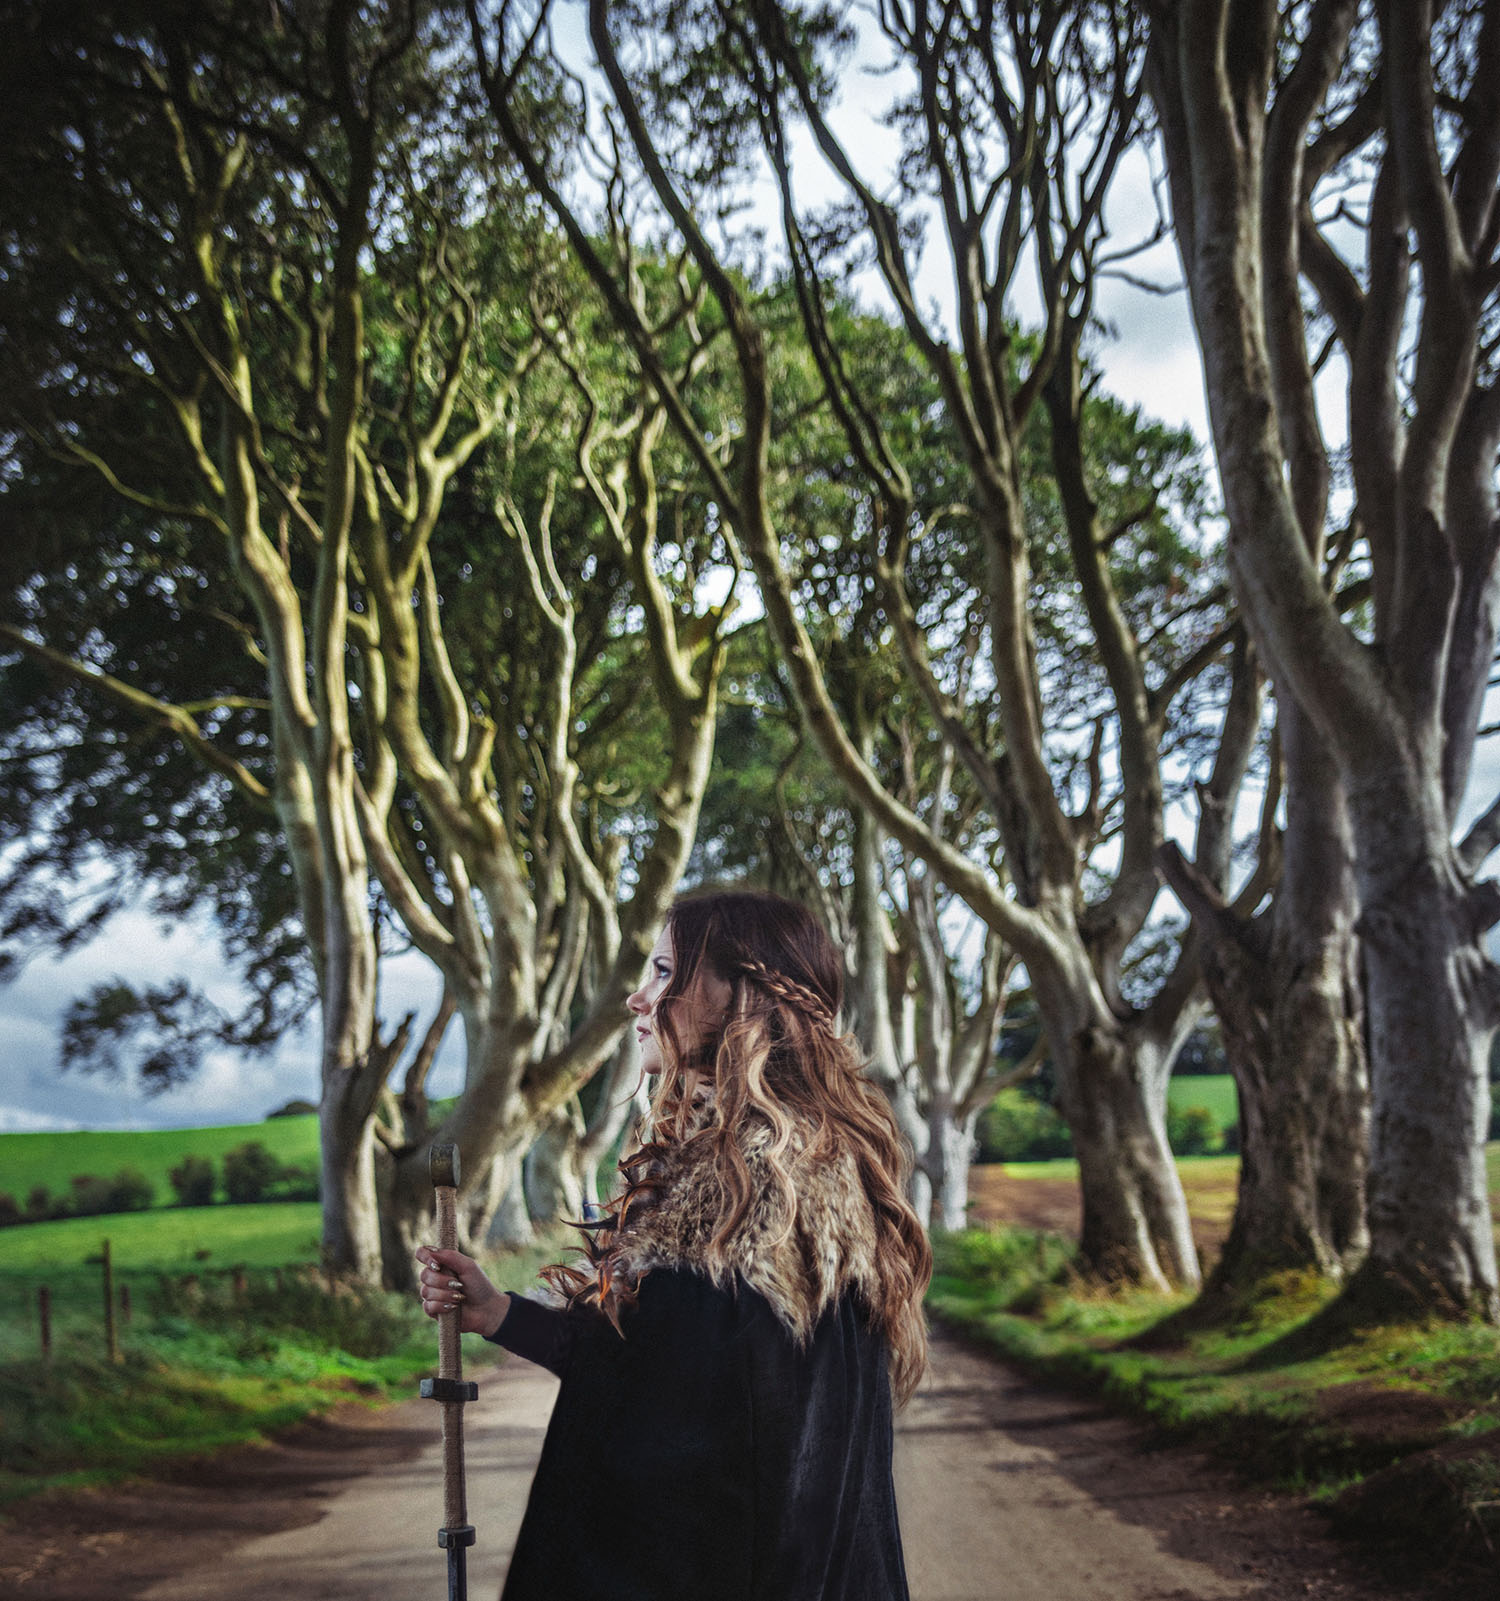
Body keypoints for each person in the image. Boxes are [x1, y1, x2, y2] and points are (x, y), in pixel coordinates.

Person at [416, 889, 931, 1601]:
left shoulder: (750, 1187)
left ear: (740, 996)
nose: (637, 997)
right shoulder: (764, 1165)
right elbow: (649, 1372)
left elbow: (682, 1441)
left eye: (663, 971)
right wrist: (499, 1311)